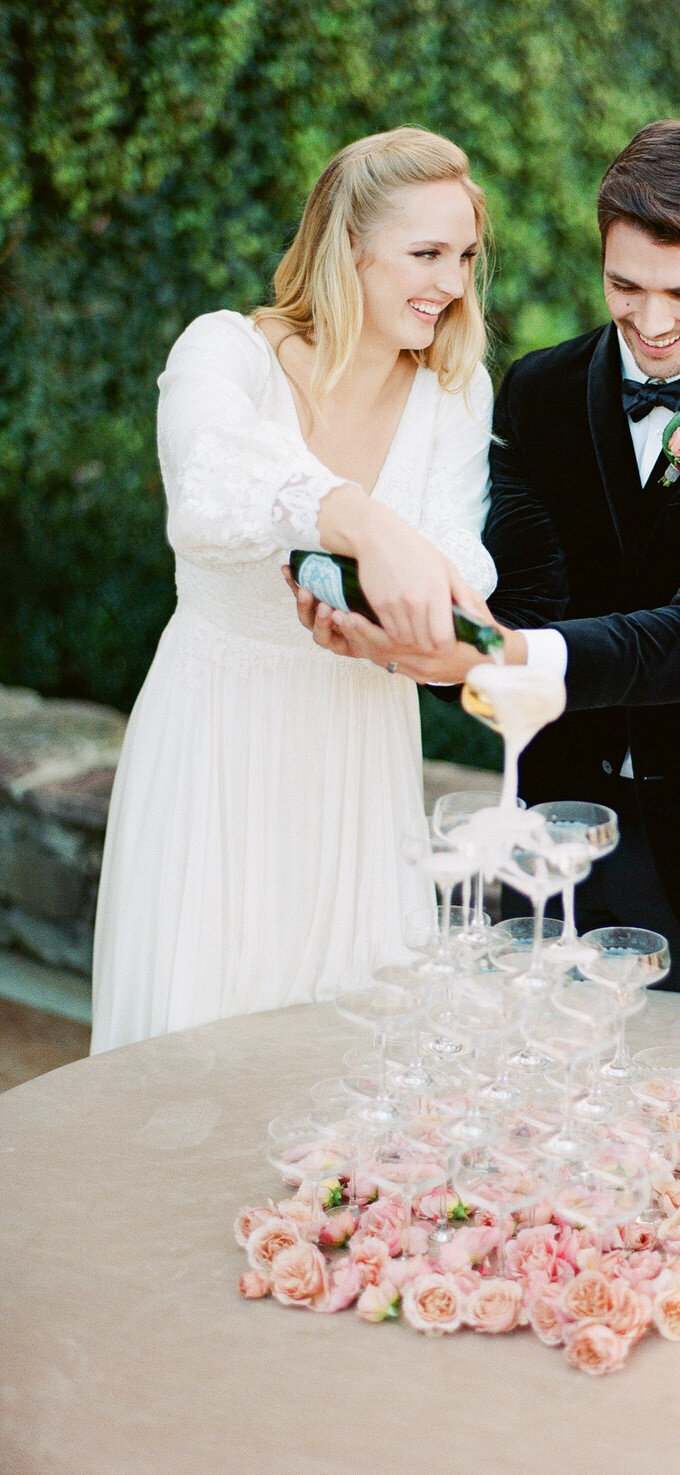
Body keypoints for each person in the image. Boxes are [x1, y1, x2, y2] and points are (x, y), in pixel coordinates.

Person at [296, 120, 680, 996]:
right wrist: (416, 650)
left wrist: (502, 653)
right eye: (624, 285)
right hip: (549, 831)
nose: (651, 321)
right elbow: (518, 606)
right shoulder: (539, 391)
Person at [90, 128, 497, 1053]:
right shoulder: (225, 352)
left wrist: (428, 645)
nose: (454, 283)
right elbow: (209, 486)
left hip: (360, 753)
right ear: (347, 248)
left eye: (465, 256)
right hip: (213, 745)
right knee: (190, 1055)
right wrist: (368, 522)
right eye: (426, 254)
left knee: (354, 1064)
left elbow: (458, 576)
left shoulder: (455, 392)